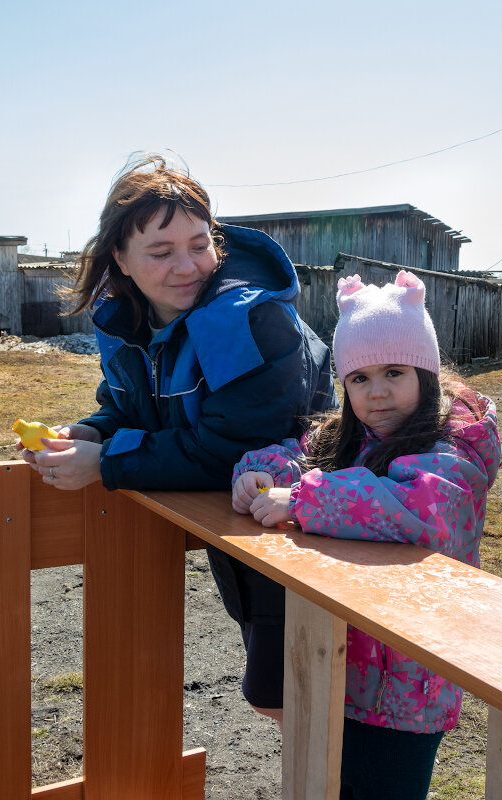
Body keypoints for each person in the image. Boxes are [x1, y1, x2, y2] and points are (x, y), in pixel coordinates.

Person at [18, 153, 336, 720]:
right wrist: (87, 432)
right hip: (238, 523)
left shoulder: (250, 321)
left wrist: (105, 463)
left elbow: (227, 450)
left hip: (304, 528)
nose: (188, 266)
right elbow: (128, 408)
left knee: (300, 698)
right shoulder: (133, 322)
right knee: (285, 700)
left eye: (199, 244)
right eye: (161, 252)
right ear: (121, 258)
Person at [230, 269, 500, 799]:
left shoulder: (456, 449)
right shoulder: (349, 436)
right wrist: (256, 474)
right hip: (339, 663)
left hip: (408, 680)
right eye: (359, 378)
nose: (377, 393)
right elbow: (294, 454)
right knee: (331, 784)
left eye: (394, 372)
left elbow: (424, 507)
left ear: (425, 373)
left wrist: (303, 499)